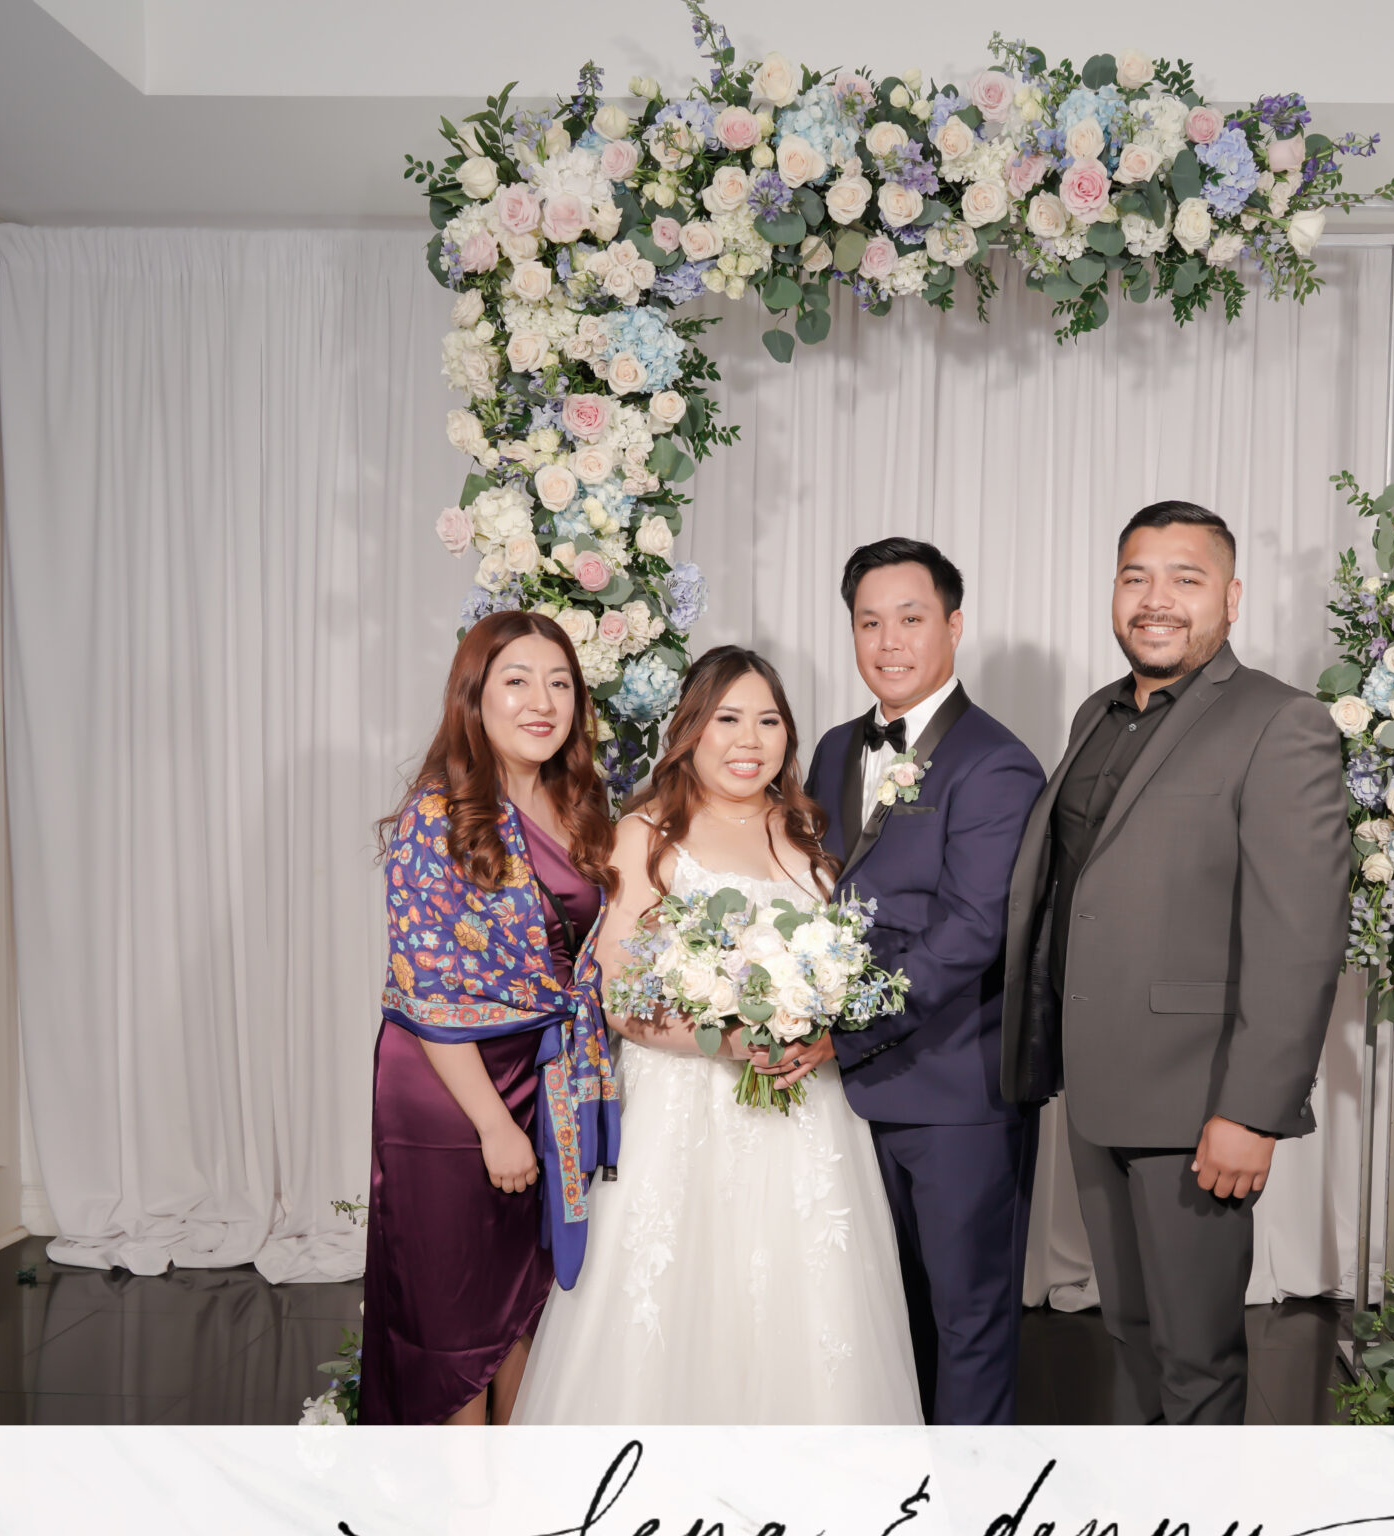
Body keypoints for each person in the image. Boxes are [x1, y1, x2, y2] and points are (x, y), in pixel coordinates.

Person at [1001, 500, 1353, 1426]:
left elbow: (1301, 936)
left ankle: (1204, 1512)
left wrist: (1253, 1111)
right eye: (1136, 577)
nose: (1156, 599)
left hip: (1200, 1101)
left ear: (1230, 598)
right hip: (1096, 1085)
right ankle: (1145, 1505)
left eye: (1185, 579)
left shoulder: (1282, 721)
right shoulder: (1099, 712)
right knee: (1128, 1331)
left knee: (1195, 1354)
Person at [513, 646, 921, 1424]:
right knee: (675, 1305)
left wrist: (814, 1013)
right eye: (728, 719)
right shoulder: (646, 834)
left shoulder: (807, 832)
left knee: (805, 1308)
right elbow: (616, 994)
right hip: (682, 1111)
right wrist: (727, 1040)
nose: (749, 740)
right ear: (690, 730)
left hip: (804, 1113)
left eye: (768, 721)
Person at [777, 538, 1046, 1424]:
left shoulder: (995, 762)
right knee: (874, 1317)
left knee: (967, 1317)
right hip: (843, 1096)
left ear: (954, 626)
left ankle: (970, 1496)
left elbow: (968, 933)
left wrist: (843, 1024)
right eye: (869, 622)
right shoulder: (831, 748)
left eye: (911, 618)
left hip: (954, 1090)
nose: (888, 641)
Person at [362, 611, 621, 1426]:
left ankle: (517, 1484)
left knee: (525, 1306)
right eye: (517, 681)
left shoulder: (578, 801)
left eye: (559, 683)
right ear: (474, 697)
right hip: (451, 1087)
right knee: (454, 1322)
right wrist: (493, 1125)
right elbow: (427, 986)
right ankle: (459, 1494)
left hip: (545, 1075)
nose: (542, 701)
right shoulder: (438, 815)